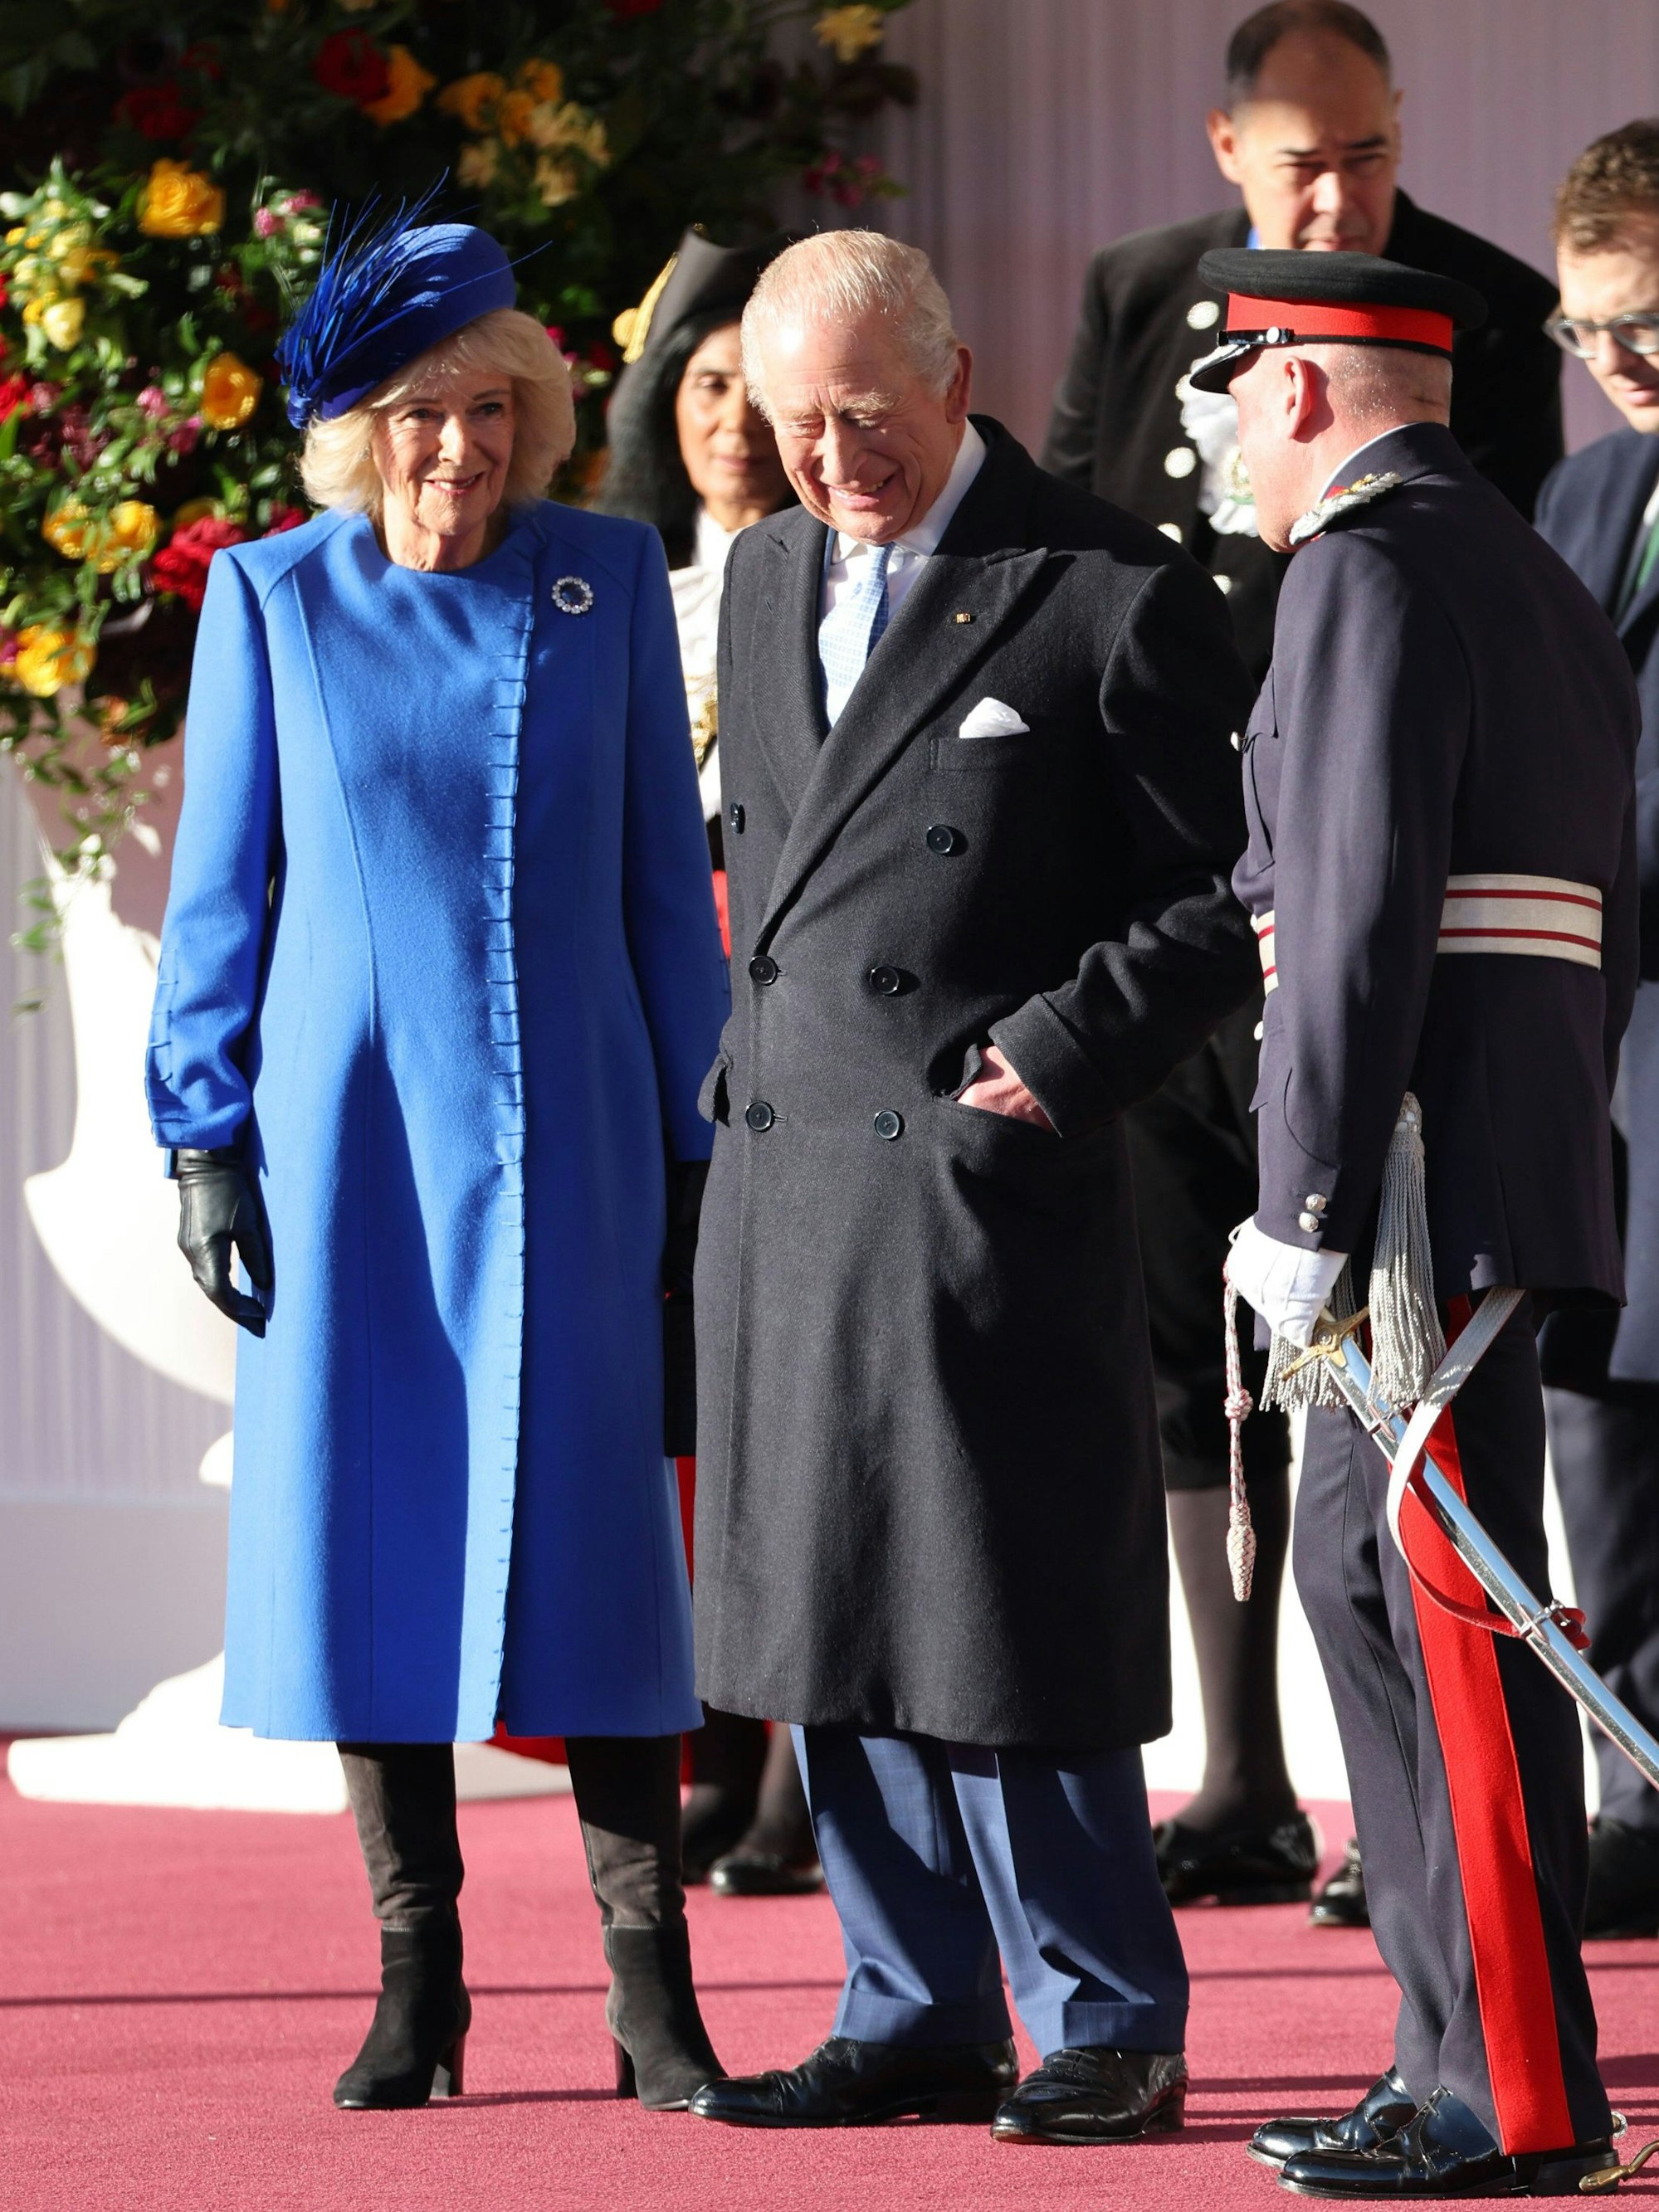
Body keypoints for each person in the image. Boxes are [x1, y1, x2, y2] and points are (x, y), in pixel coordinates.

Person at [145, 212, 731, 2113]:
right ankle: (422, 1983)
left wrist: (700, 1133)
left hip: (576, 1132)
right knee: (378, 1545)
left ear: (542, 420)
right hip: (345, 1151)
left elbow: (667, 894)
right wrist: (203, 1138)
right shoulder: (271, 600)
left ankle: (655, 1990)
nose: (460, 452)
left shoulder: (609, 577)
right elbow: (217, 892)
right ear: (349, 433)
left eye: (492, 412)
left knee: (603, 1555)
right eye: (418, 417)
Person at [686, 230, 1258, 2146]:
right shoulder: (765, 576)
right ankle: (911, 2000)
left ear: (953, 370)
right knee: (824, 1607)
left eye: (864, 409)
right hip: (784, 1178)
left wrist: (1061, 1056)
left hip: (975, 1177)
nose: (832, 454)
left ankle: (1104, 2011)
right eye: (792, 423)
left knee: (996, 1601)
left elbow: (1228, 888)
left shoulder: (1102, 587)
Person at [1042, 0, 1564, 1928]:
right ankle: (1242, 1771)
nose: (1337, 189)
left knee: (1395, 1456)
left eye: (1365, 151)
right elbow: (1100, 568)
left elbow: (1453, 676)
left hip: (1373, 924)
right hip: (1196, 872)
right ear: (1220, 148)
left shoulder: (1461, 355)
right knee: (1203, 1352)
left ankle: (1452, 1942)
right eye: (1295, 160)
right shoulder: (1140, 294)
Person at [1210, 246, 1635, 2196]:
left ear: (1299, 386)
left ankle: (1507, 2093)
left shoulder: (1363, 567)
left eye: (1228, 391)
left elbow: (1355, 919)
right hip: (1478, 1154)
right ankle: (1454, 2054)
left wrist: (1299, 1197)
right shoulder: (1522, 566)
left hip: (1406, 1197)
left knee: (1433, 1613)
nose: (1214, 434)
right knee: (1390, 1592)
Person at [597, 230, 822, 1899]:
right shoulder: (607, 583)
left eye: (765, 383)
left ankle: (817, 1765)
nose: (735, 417)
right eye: (708, 379)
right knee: (697, 1412)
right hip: (653, 1043)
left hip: (806, 1031)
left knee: (804, 1399)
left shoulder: (843, 578)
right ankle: (720, 1743)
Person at [1531, 119, 1659, 1944]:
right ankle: (1637, 1778)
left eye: (1645, 316)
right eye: (1586, 330)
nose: (1619, 360)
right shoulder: (1577, 497)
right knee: (1600, 1439)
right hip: (1586, 1055)